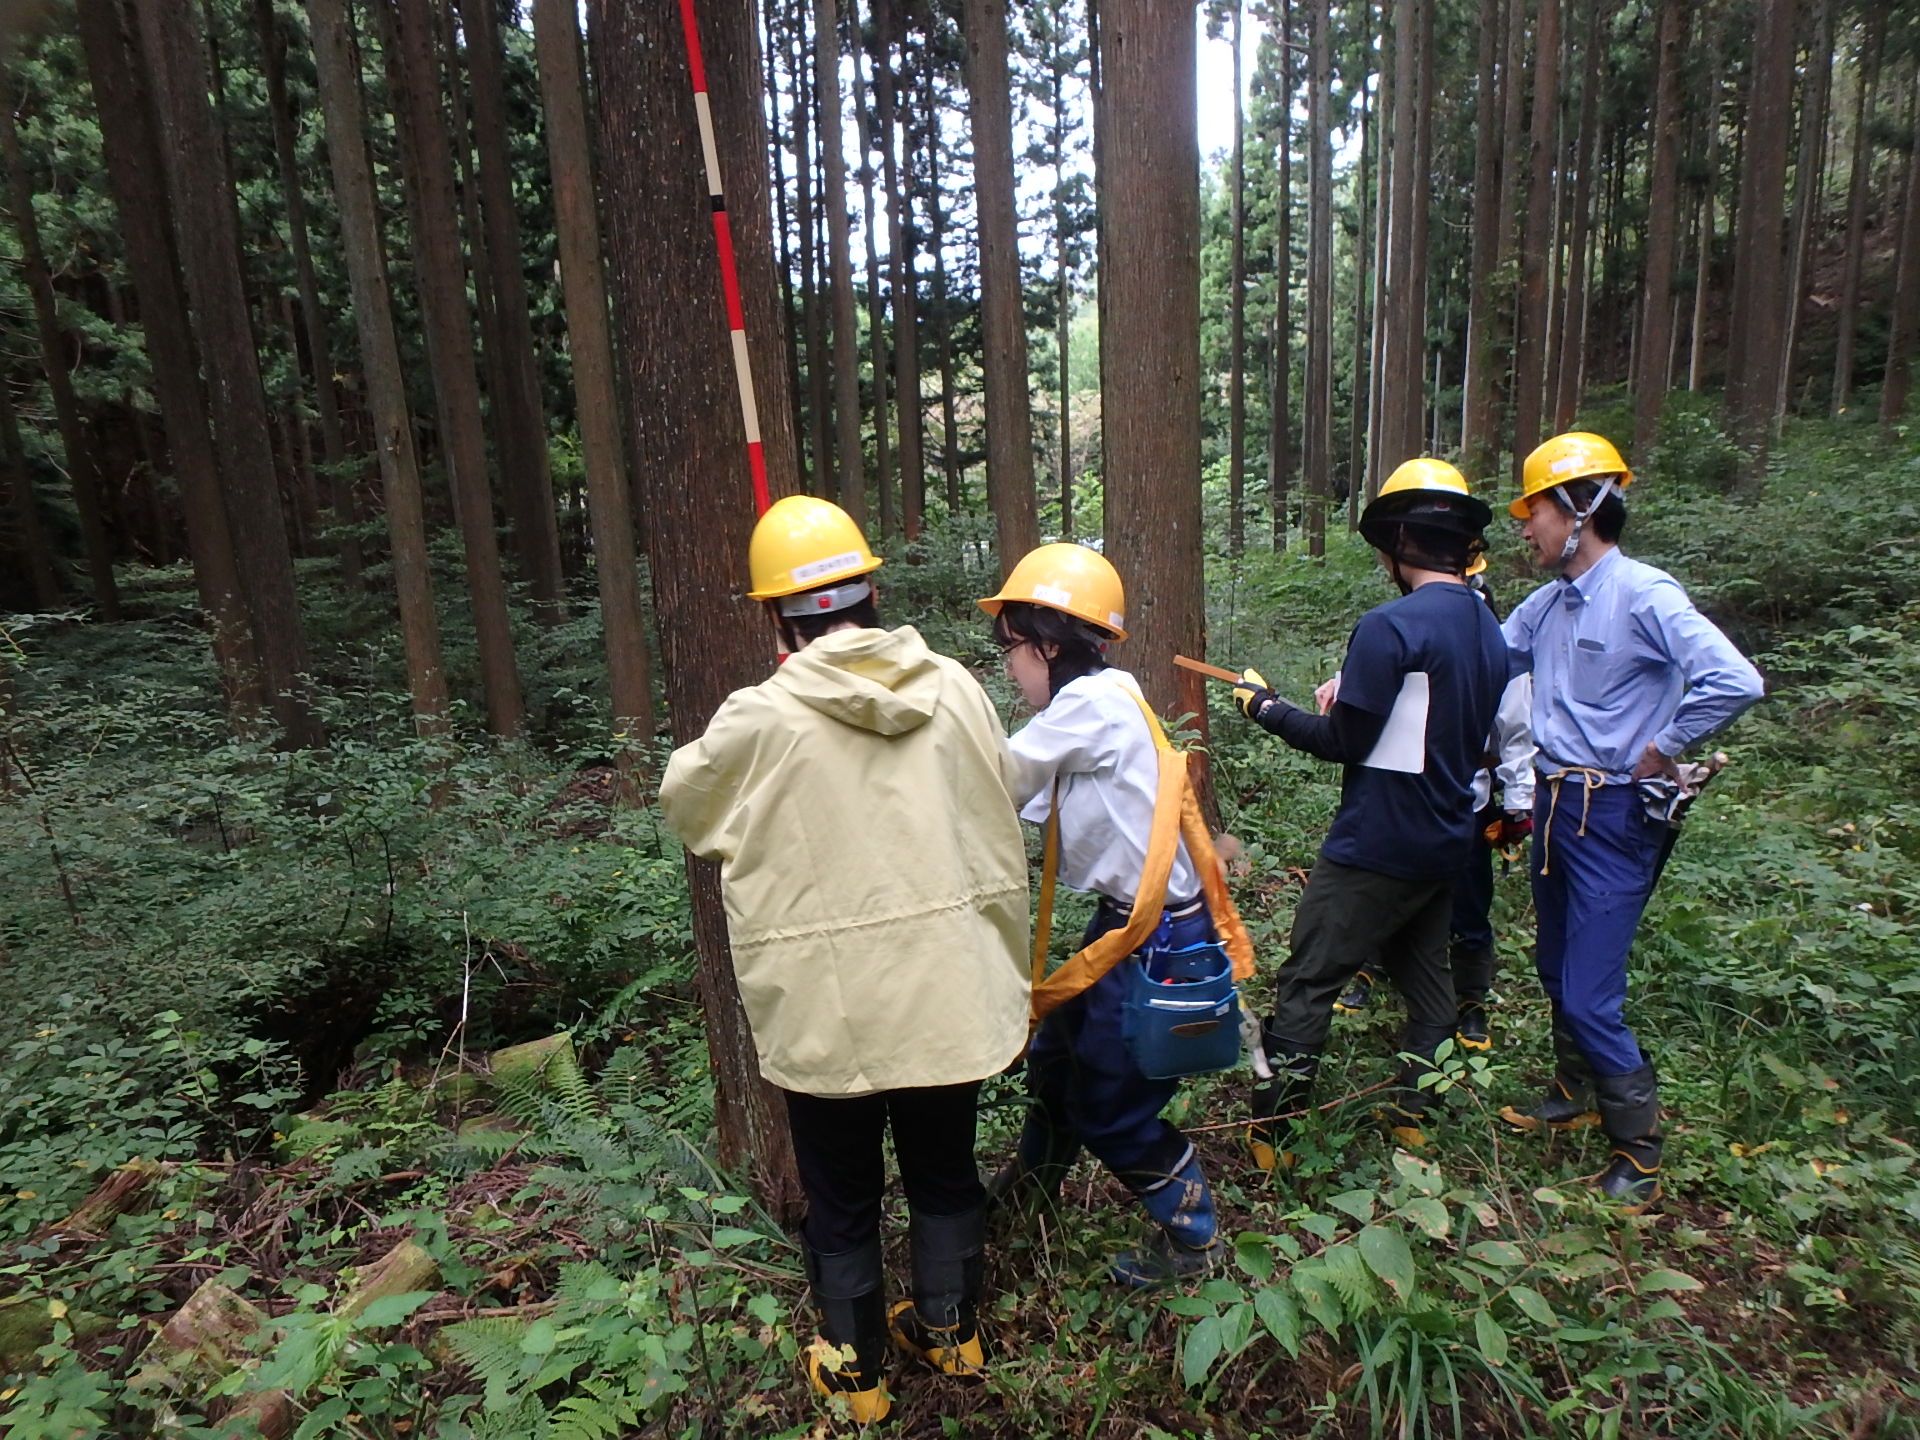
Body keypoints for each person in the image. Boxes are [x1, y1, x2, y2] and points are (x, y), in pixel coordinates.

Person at [658, 496, 1030, 1423]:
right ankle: (953, 1331)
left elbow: (687, 810)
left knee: (841, 1190)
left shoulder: (761, 717)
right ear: (872, 591)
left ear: (777, 614)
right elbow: (1002, 795)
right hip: (949, 984)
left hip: (831, 1006)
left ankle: (855, 1375)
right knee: (946, 1167)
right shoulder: (955, 687)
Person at [1499, 432, 1764, 1210]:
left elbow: (1734, 679)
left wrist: (1666, 742)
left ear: (1582, 510)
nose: (1526, 529)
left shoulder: (1646, 594)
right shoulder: (1544, 605)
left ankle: (1639, 1149)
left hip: (1614, 813)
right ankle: (1569, 1089)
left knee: (1589, 992)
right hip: (1553, 805)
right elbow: (1477, 657)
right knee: (1554, 964)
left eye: (1536, 511)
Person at [1231, 459, 1509, 1165]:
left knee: (1306, 983)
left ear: (1399, 540)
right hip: (1448, 839)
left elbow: (1341, 742)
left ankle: (1278, 1139)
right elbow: (1423, 721)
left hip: (1375, 847)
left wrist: (1264, 706)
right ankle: (1416, 1116)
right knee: (1428, 986)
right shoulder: (1488, 629)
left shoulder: (1390, 625)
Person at [978, 543, 1227, 1286]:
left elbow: (997, 773)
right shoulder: (1107, 695)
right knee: (1057, 1062)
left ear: (1050, 644)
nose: (1011, 666)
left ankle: (1195, 1241)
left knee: (1112, 1106)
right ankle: (1032, 1194)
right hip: (1133, 924)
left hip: (1156, 937)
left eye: (1014, 648)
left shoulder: (1086, 705)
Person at [1332, 558, 1536, 1052]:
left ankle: (1470, 1001)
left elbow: (1517, 736)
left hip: (1468, 802)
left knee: (1467, 904)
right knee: (1388, 889)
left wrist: (1518, 806)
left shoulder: (1501, 660)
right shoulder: (1409, 637)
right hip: (1403, 796)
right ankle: (1370, 968)